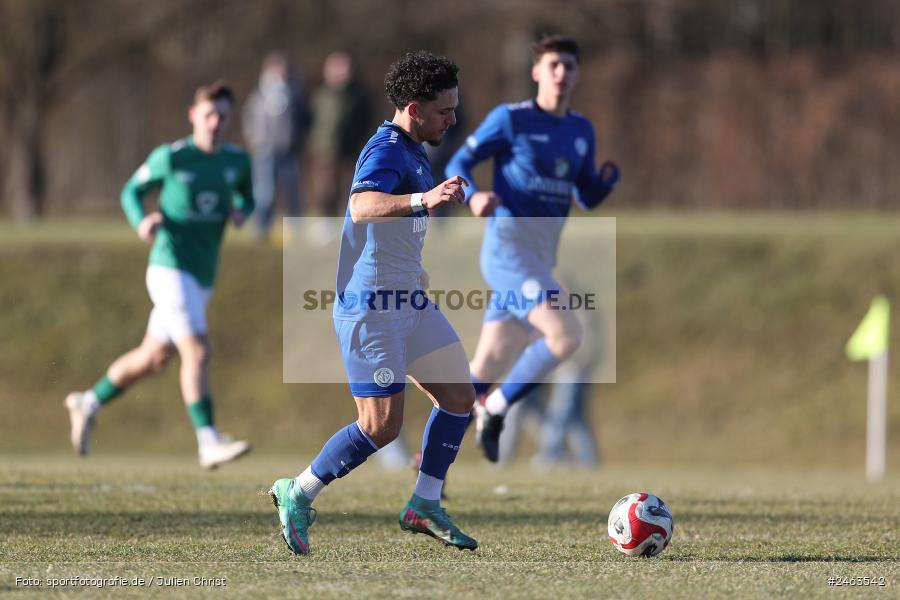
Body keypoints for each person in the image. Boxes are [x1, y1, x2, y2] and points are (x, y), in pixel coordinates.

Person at [268, 51, 477, 555]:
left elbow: (395, 231)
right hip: (371, 308)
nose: (453, 119)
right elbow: (362, 207)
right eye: (445, 111)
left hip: (410, 300)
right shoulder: (385, 149)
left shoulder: (415, 148)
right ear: (413, 107)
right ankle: (297, 491)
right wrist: (423, 201)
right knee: (380, 427)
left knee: (459, 398)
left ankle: (423, 504)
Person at [445, 35, 620, 462]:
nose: (562, 74)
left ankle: (427, 464)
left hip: (540, 259)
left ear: (577, 75)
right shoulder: (510, 119)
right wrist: (472, 196)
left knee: (484, 366)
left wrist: (601, 185)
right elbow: (457, 164)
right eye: (554, 65)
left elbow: (584, 196)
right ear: (536, 72)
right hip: (508, 250)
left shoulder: (581, 130)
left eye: (569, 67)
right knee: (566, 335)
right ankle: (497, 409)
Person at [65, 81, 254, 470]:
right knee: (197, 351)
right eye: (209, 115)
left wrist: (241, 209)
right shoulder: (172, 158)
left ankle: (88, 402)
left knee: (153, 358)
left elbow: (246, 195)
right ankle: (208, 441)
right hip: (169, 267)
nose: (216, 122)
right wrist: (141, 221)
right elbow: (131, 191)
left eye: (222, 116)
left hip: (202, 275)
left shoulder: (237, 161)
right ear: (193, 115)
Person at [242, 52, 307, 241]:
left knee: (292, 193)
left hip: (288, 152)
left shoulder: (294, 94)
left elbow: (303, 120)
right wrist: (256, 140)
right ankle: (262, 230)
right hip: (264, 152)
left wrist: (296, 141)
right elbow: (248, 119)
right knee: (264, 193)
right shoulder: (258, 95)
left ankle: (296, 231)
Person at [308, 51, 372, 222]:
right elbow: (309, 120)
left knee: (350, 189)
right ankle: (326, 222)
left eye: (345, 68)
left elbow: (367, 122)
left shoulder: (359, 96)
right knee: (325, 190)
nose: (341, 72)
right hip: (325, 150)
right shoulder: (319, 95)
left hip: (351, 151)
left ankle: (350, 222)